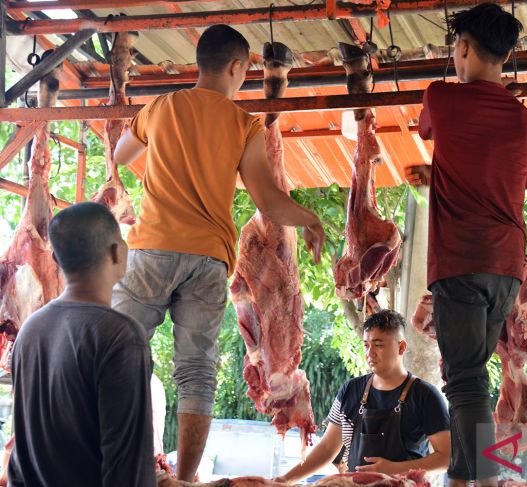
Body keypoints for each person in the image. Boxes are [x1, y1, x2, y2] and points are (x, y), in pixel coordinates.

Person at [111, 25, 325, 481]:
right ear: (236, 67)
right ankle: (185, 479)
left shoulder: (161, 107)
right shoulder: (241, 123)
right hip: (208, 259)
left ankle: (109, 461)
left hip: (151, 248)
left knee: (117, 351)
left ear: (198, 62)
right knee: (196, 373)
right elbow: (268, 202)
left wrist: (158, 175)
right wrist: (310, 219)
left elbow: (121, 151)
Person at [404, 4, 527, 486]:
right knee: (472, 378)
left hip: (460, 261)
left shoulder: (442, 97)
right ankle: (462, 479)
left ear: (462, 47)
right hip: (506, 268)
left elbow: (424, 130)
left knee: (464, 381)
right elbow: (514, 183)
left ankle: (487, 479)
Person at [8, 202, 156, 486]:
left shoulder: (30, 331)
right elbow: (127, 469)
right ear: (118, 253)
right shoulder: (120, 336)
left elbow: (20, 454)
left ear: (55, 257)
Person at [276, 310, 450, 483]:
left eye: (378, 344)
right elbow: (328, 447)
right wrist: (285, 480)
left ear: (401, 347)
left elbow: (446, 457)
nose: (370, 353)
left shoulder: (425, 395)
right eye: (366, 345)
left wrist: (394, 469)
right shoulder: (350, 390)